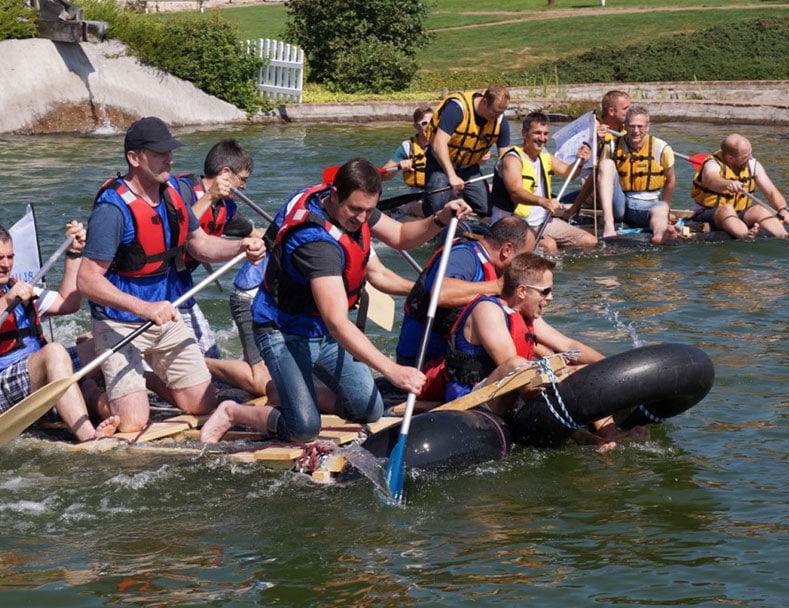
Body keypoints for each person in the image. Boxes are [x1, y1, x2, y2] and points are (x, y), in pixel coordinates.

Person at [200, 158, 472, 443]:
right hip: (283, 332)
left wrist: (440, 218)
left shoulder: (354, 206)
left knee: (368, 410)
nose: (361, 219)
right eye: (355, 209)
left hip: (322, 332)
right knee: (303, 428)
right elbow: (337, 322)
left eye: (369, 211)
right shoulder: (316, 243)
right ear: (333, 195)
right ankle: (233, 412)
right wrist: (393, 371)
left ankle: (289, 391)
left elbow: (401, 236)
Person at [77, 116, 266, 434]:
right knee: (133, 423)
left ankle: (142, 375)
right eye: (160, 152)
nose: (170, 158)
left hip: (164, 316)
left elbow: (200, 245)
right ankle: (88, 385)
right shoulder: (112, 211)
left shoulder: (173, 196)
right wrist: (144, 308)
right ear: (134, 158)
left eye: (170, 151)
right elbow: (87, 280)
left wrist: (239, 248)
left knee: (204, 404)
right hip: (120, 321)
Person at [443, 252, 647, 450]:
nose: (551, 298)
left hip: (514, 398)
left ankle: (610, 434)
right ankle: (586, 438)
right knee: (519, 366)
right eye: (545, 291)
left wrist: (615, 368)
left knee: (582, 372)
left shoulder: (524, 315)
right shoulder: (488, 310)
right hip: (476, 401)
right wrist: (564, 376)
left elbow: (568, 346)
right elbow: (514, 368)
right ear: (522, 291)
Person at [0, 222, 119, 442]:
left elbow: (67, 303)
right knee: (54, 351)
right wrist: (5, 302)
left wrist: (74, 254)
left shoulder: (16, 287)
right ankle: (90, 438)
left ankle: (118, 407)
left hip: (33, 378)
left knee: (102, 340)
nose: (6, 264)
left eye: (10, 257)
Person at [391, 216, 534, 399]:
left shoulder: (490, 270)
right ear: (507, 250)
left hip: (449, 364)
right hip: (422, 372)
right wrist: (498, 287)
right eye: (525, 258)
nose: (526, 267)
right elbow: (440, 293)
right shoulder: (466, 257)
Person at [172, 139, 262, 359]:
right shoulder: (178, 191)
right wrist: (209, 196)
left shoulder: (225, 208)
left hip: (180, 286)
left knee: (210, 355)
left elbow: (255, 232)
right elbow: (178, 229)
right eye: (242, 179)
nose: (243, 187)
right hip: (150, 285)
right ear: (224, 173)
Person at [489, 112, 597, 252]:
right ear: (524, 134)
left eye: (545, 134)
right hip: (513, 222)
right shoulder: (512, 159)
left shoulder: (544, 156)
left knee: (589, 241)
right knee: (549, 246)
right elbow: (515, 192)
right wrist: (543, 201)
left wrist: (580, 162)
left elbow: (568, 174)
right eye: (537, 133)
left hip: (541, 222)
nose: (542, 138)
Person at [423, 85, 511, 218]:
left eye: (501, 112)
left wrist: (511, 181)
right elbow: (438, 144)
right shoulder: (457, 108)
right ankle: (425, 206)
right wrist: (452, 176)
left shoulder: (500, 119)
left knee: (486, 209)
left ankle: (460, 204)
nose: (497, 116)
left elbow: (505, 156)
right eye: (495, 112)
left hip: (469, 168)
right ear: (484, 101)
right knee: (438, 210)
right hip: (439, 165)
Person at [596, 105, 678, 244]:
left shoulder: (661, 148)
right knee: (605, 164)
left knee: (661, 208)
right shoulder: (613, 146)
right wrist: (597, 140)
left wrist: (667, 209)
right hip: (620, 206)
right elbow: (599, 174)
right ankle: (608, 223)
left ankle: (660, 233)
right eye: (631, 126)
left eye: (640, 126)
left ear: (647, 127)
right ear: (625, 126)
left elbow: (670, 180)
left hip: (648, 205)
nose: (635, 131)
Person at [690, 133, 789, 239]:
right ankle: (746, 235)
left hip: (739, 214)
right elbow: (711, 179)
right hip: (707, 214)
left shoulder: (752, 165)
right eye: (745, 157)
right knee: (727, 209)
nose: (750, 158)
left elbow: (771, 191)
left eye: (751, 153)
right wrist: (728, 184)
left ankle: (785, 236)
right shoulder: (712, 164)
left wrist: (783, 209)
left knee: (759, 209)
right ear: (731, 158)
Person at [567, 90, 631, 216]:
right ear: (612, 111)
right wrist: (594, 141)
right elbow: (589, 172)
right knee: (602, 167)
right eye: (626, 109)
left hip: (623, 192)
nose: (630, 113)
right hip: (594, 192)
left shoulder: (629, 132)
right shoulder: (591, 133)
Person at [380, 107, 434, 216]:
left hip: (442, 192)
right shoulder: (407, 147)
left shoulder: (445, 143)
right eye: (425, 123)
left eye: (433, 122)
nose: (429, 127)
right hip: (417, 196)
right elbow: (383, 176)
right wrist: (399, 166)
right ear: (416, 126)